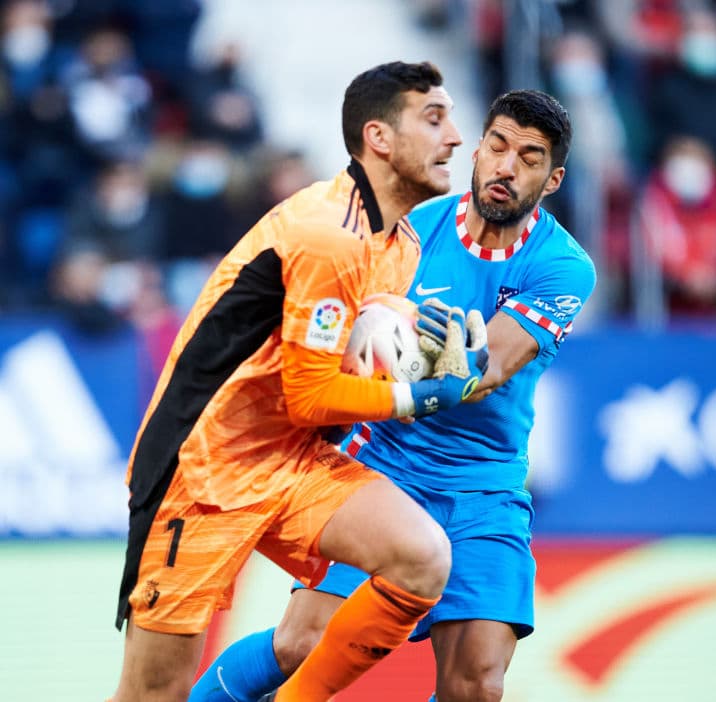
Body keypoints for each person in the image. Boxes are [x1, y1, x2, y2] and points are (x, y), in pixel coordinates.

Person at [190, 89, 595, 702]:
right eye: (498, 146)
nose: (508, 167)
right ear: (478, 148)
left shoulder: (564, 266)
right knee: (303, 642)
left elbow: (486, 370)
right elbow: (335, 329)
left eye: (530, 157)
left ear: (554, 177)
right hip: (384, 466)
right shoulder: (410, 227)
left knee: (477, 686)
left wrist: (396, 339)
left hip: (485, 487)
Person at [110, 60, 490, 702]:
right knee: (154, 694)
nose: (457, 137)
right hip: (202, 472)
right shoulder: (327, 236)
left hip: (292, 458)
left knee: (420, 557)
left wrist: (424, 345)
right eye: (435, 118)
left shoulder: (398, 244)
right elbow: (309, 395)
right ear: (379, 138)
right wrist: (419, 394)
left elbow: (358, 353)